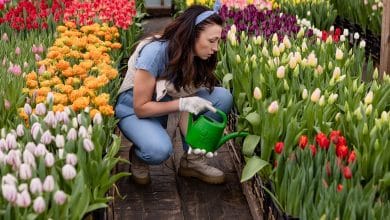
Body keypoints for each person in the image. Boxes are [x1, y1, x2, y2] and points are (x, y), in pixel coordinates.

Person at [115, 3, 232, 185]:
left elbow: (184, 102)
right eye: (211, 41)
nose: (216, 48)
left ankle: (192, 163)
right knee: (159, 150)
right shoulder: (155, 53)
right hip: (135, 109)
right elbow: (141, 108)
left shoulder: (197, 57)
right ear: (192, 35)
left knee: (222, 98)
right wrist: (182, 104)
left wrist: (197, 146)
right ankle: (140, 156)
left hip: (169, 105)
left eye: (218, 41)